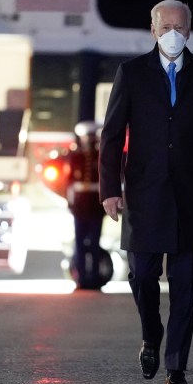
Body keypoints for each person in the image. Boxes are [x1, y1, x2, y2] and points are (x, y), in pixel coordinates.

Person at [99, 0, 193, 384]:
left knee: (186, 285)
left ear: (189, 30)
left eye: (180, 26)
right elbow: (111, 137)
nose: (173, 33)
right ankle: (151, 334)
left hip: (192, 197)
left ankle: (176, 367)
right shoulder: (132, 73)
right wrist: (109, 190)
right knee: (141, 276)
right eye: (165, 26)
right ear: (153, 29)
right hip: (144, 194)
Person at [66, 120, 112, 290]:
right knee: (79, 243)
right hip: (80, 206)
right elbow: (70, 183)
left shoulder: (101, 157)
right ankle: (81, 278)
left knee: (93, 243)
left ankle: (92, 278)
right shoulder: (76, 157)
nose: (89, 141)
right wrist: (70, 203)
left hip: (95, 206)